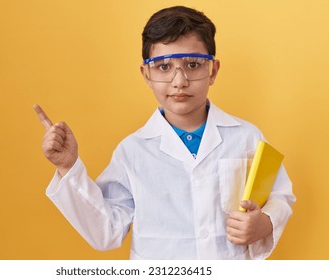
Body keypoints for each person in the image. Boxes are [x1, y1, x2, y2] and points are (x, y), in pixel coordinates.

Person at [34, 6, 295, 259]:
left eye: (193, 65)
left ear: (212, 70)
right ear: (146, 74)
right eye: (163, 67)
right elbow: (106, 232)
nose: (179, 81)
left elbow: (280, 195)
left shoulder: (246, 137)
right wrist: (68, 168)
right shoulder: (132, 151)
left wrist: (266, 222)